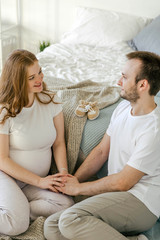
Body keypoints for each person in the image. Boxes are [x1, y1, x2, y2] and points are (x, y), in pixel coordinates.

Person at [44, 51, 160, 240]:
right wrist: (71, 182)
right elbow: (100, 151)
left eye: (124, 77)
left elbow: (123, 182)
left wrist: (79, 189)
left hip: (141, 201)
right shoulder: (123, 108)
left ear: (142, 85)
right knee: (52, 226)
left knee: (70, 220)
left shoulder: (154, 129)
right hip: (116, 196)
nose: (118, 82)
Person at [0, 49, 74, 236]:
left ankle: (18, 209)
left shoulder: (50, 101)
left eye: (39, 72)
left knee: (66, 206)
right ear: (17, 81)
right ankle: (17, 214)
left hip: (31, 184)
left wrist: (63, 173)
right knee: (17, 226)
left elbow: (58, 143)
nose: (39, 79)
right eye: (31, 77)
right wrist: (40, 181)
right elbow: (2, 159)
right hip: (6, 175)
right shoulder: (5, 111)